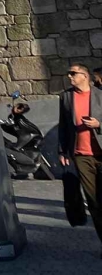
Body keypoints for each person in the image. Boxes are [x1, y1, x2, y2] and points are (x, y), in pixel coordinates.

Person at [59, 63, 102, 252]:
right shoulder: (66, 97)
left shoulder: (100, 95)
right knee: (93, 202)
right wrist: (62, 151)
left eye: (73, 73)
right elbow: (63, 125)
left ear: (84, 75)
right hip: (81, 156)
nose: (69, 76)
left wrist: (99, 124)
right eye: (69, 74)